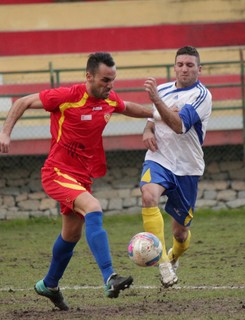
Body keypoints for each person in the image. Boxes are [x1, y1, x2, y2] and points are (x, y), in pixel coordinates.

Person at [0, 52, 154, 310]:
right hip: (57, 172)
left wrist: (160, 112)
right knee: (93, 208)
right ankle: (109, 277)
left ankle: (49, 284)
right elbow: (24, 101)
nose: (110, 86)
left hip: (82, 178)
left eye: (113, 80)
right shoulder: (67, 96)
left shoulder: (109, 99)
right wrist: (5, 133)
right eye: (105, 80)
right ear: (89, 76)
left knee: (71, 235)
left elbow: (129, 107)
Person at [140, 46, 212, 287]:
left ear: (199, 69)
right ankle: (162, 264)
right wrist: (147, 130)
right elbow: (151, 122)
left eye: (190, 65)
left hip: (187, 168)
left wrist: (156, 101)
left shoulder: (202, 96)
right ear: (174, 67)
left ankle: (173, 256)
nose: (184, 69)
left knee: (180, 234)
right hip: (159, 159)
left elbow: (179, 126)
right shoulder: (162, 90)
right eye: (180, 64)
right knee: (148, 195)